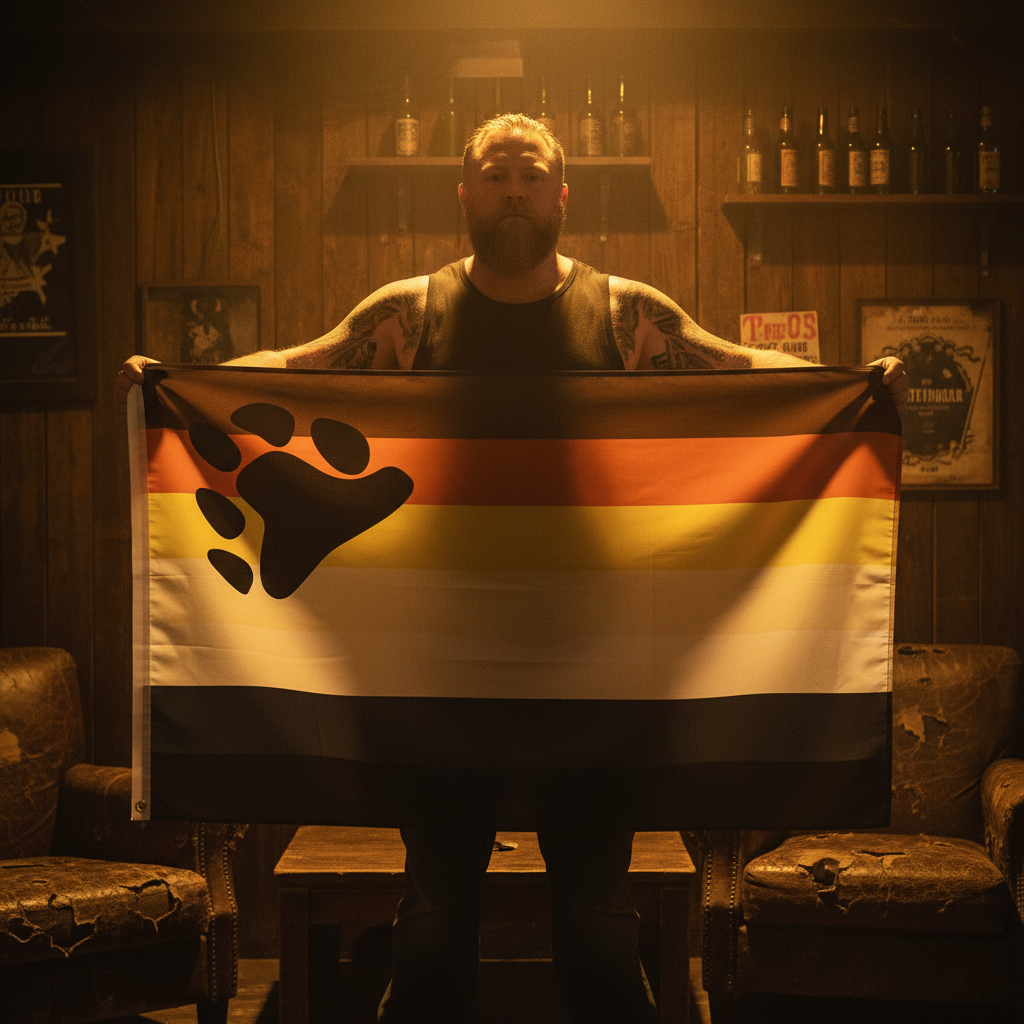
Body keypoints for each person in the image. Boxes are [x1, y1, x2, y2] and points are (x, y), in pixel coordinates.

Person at [120, 114, 907, 1023]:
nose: (514, 192)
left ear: (563, 195)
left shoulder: (624, 313)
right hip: (442, 665)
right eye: (496, 176)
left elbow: (751, 372)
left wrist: (864, 383)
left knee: (595, 921)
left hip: (592, 669)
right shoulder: (410, 312)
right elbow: (290, 370)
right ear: (465, 195)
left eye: (531, 176)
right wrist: (169, 381)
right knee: (434, 915)